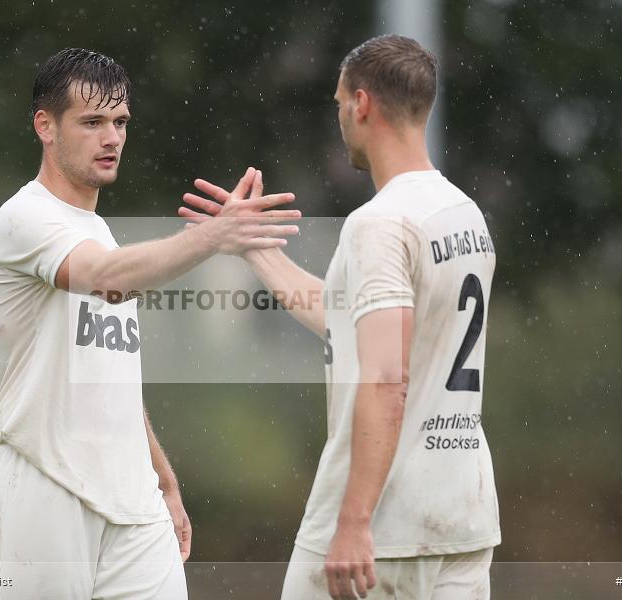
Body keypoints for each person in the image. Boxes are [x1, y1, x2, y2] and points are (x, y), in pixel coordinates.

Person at [180, 35, 501, 600]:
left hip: (382, 528)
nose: (339, 120)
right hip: (462, 517)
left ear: (361, 104)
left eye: (336, 104)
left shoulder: (378, 224)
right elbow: (351, 323)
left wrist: (353, 524)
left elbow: (384, 378)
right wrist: (255, 247)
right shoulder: (463, 214)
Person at [0, 48, 300, 600]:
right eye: (93, 122)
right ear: (44, 126)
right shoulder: (22, 218)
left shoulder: (102, 232)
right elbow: (107, 277)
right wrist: (211, 237)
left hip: (133, 503)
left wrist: (164, 481)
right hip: (43, 484)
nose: (112, 138)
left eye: (120, 122)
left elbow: (112, 379)